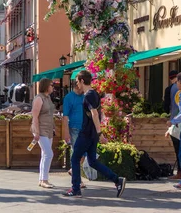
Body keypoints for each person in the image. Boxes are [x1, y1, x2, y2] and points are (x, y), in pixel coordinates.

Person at [64, 70, 126, 198]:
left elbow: (95, 114)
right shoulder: (94, 94)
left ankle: (75, 189)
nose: (77, 85)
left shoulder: (88, 95)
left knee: (75, 158)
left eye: (77, 82)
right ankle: (117, 180)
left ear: (82, 81)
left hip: (87, 133)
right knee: (92, 161)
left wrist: (99, 133)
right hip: (91, 134)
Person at [31, 78, 56, 188]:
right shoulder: (39, 98)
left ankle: (42, 179)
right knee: (49, 154)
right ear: (46, 86)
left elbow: (50, 114)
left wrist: (54, 128)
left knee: (45, 154)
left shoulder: (48, 98)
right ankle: (44, 179)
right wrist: (36, 131)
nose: (53, 87)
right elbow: (35, 116)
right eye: (52, 85)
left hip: (49, 129)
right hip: (41, 129)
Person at [62, 80, 84, 180]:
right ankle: (77, 179)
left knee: (84, 153)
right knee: (77, 153)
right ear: (78, 85)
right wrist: (66, 132)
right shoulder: (69, 98)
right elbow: (65, 116)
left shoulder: (85, 96)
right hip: (74, 128)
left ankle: (73, 171)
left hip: (85, 128)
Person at [163, 70, 181, 180]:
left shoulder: (169, 89)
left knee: (178, 149)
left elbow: (165, 107)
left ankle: (180, 173)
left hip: (175, 121)